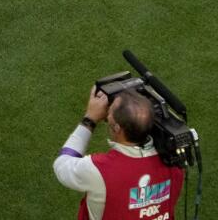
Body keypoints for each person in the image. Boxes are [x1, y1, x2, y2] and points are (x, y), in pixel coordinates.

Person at [54, 87, 186, 220]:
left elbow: (62, 165)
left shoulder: (99, 170)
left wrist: (90, 119)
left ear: (117, 128)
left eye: (109, 111)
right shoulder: (176, 160)